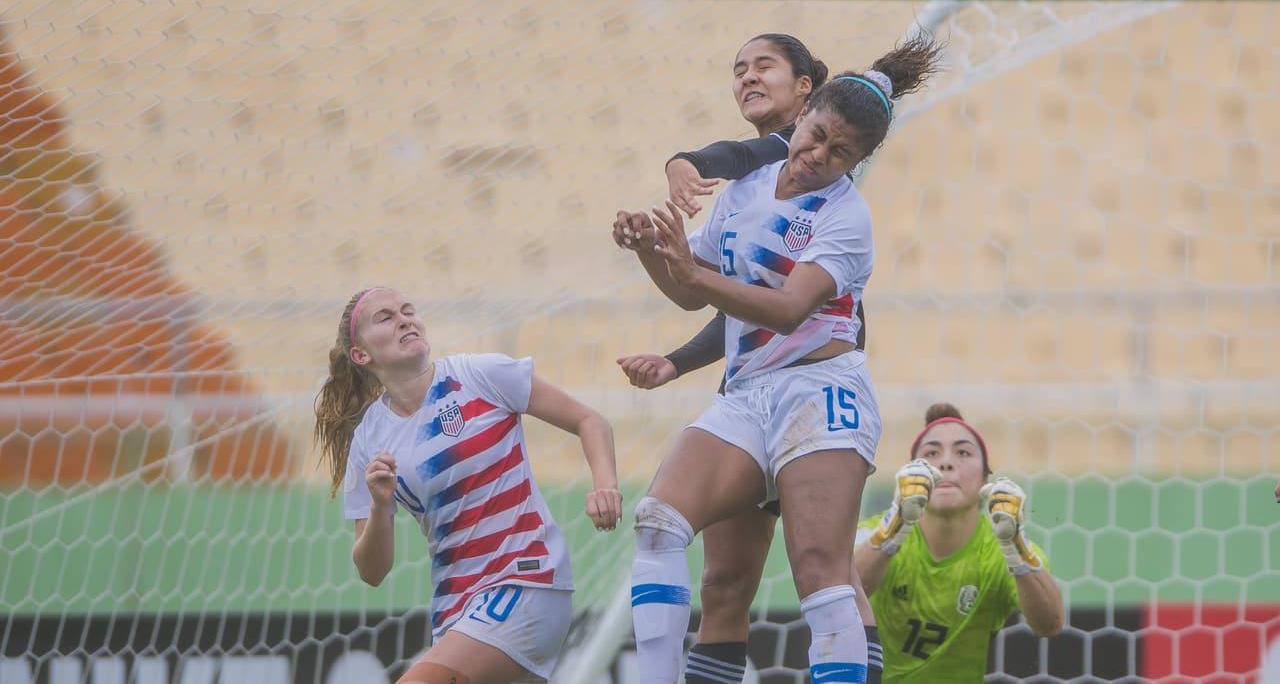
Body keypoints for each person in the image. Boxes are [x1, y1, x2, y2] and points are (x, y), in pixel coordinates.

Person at [613, 36, 943, 684]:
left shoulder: (846, 216)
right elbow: (689, 291)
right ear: (807, 111)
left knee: (821, 573)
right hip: (745, 396)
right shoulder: (749, 188)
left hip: (820, 396)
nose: (818, 154)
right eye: (816, 135)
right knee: (662, 526)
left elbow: (789, 309)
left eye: (840, 151)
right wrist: (652, 247)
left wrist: (689, 269)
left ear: (860, 158)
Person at [313, 286, 623, 684]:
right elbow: (372, 570)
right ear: (361, 355)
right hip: (455, 606)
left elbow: (591, 421)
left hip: (526, 579)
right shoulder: (369, 439)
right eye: (386, 317)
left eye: (409, 310)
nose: (405, 318)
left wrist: (605, 486)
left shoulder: (479, 375)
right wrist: (378, 506)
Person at [853, 403, 1065, 683]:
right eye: (931, 453)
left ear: (985, 480)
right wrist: (894, 527)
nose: (946, 462)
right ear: (912, 472)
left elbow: (1051, 624)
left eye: (963, 452)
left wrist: (1016, 547)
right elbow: (842, 597)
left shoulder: (1002, 546)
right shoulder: (875, 532)